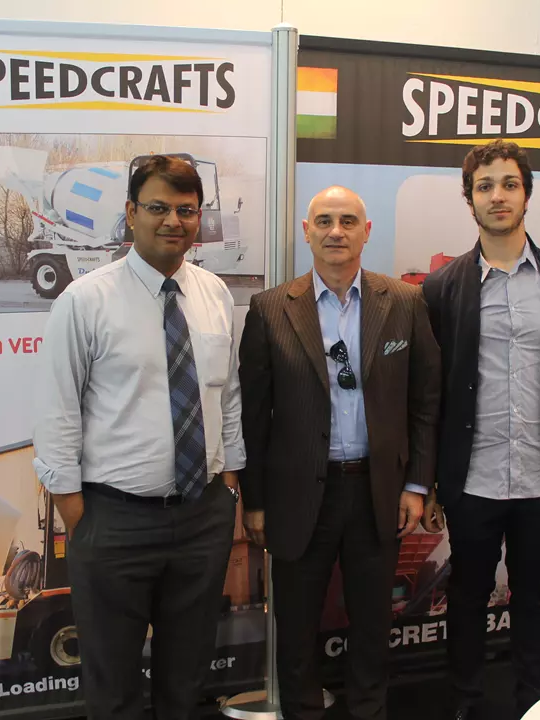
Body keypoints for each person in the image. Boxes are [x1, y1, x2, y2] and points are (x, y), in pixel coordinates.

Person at [32, 155, 245, 720]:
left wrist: (229, 480)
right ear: (130, 213)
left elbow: (228, 395)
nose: (173, 221)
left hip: (202, 517)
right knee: (113, 683)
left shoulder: (215, 294)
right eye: (158, 207)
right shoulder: (85, 300)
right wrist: (76, 509)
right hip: (113, 520)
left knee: (187, 677)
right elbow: (57, 409)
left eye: (186, 210)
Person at [238, 185, 440, 720]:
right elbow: (253, 417)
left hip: (378, 494)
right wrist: (255, 501)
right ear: (306, 231)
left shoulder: (404, 303)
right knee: (296, 631)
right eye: (324, 221)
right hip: (297, 497)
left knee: (373, 628)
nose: (336, 231)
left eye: (348, 221)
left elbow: (425, 401)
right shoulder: (270, 309)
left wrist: (417, 484)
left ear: (366, 232)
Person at [420, 139, 540, 720]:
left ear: (526, 194)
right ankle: (465, 702)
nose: (497, 196)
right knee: (467, 596)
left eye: (508, 184)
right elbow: (429, 397)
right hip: (470, 480)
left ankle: (534, 702)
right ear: (469, 199)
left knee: (533, 597)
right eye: (485, 186)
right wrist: (428, 483)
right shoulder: (442, 289)